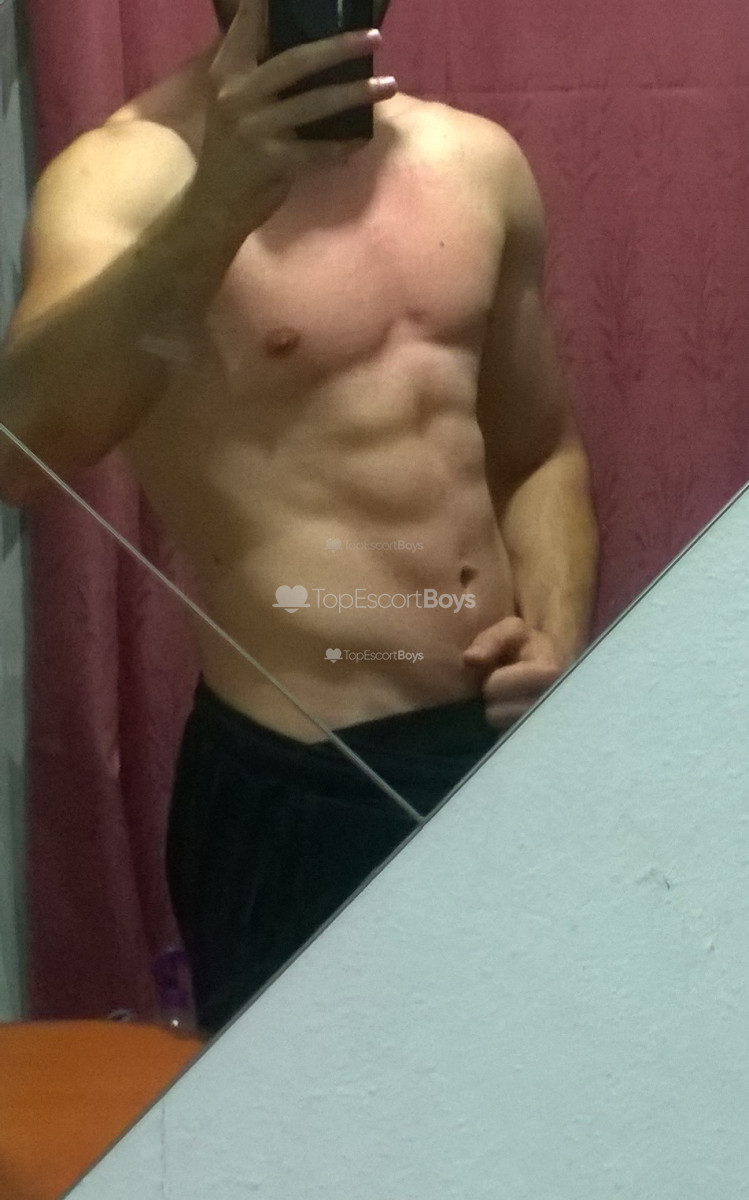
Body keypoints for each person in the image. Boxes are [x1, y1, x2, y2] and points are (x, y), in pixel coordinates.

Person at [0, 0, 599, 1033]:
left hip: (492, 747)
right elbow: (23, 453)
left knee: (530, 1080)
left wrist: (554, 632)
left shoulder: (476, 162)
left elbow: (539, 452)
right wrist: (213, 208)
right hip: (299, 781)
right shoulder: (121, 179)